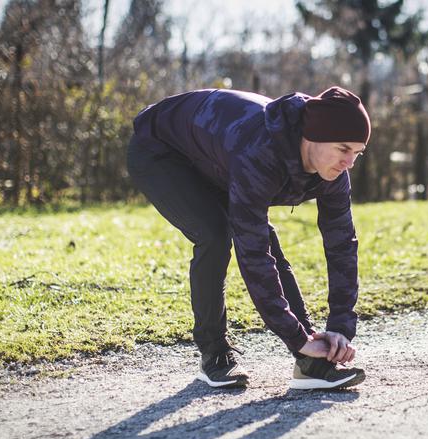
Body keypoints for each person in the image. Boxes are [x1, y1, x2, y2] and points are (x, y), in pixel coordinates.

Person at [127, 86, 370, 390]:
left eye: (357, 154)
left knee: (257, 235)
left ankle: (311, 364)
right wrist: (297, 337)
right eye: (343, 149)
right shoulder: (261, 153)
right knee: (215, 235)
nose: (349, 163)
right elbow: (253, 255)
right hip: (161, 150)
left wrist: (340, 329)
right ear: (314, 136)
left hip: (216, 156)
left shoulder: (334, 174)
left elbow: (342, 246)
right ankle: (214, 356)